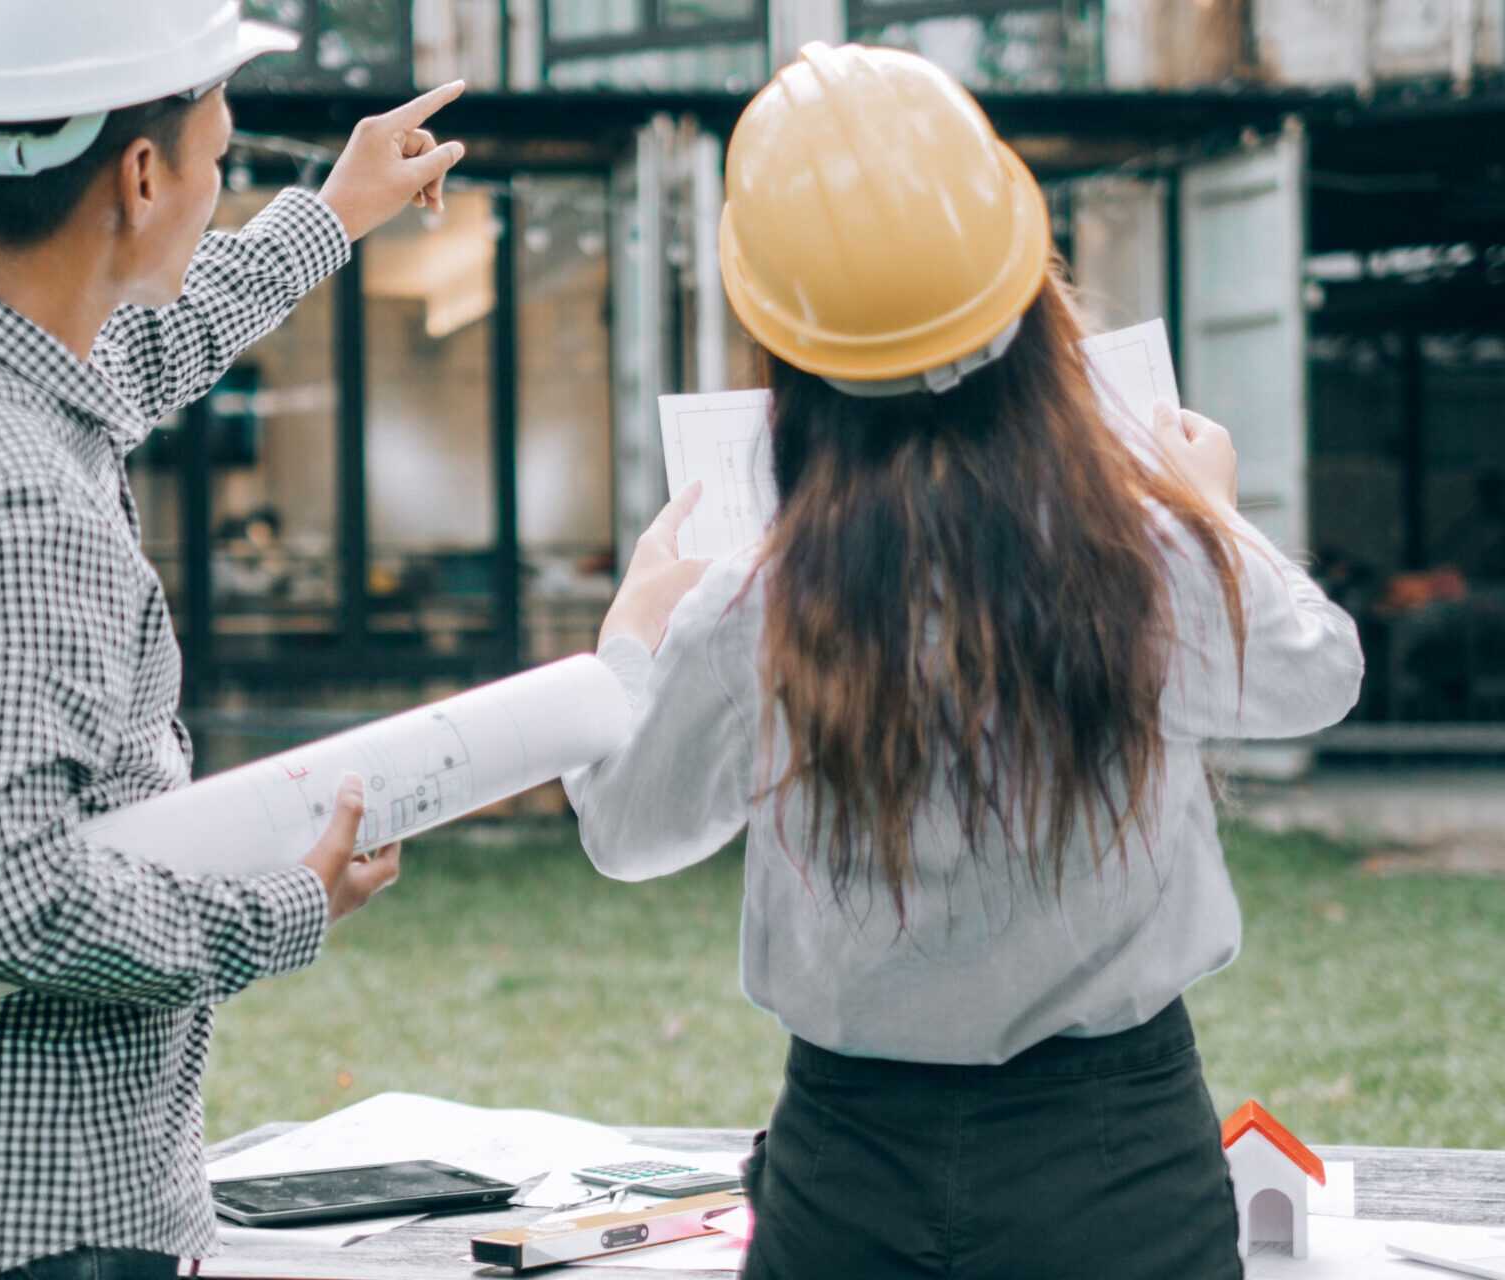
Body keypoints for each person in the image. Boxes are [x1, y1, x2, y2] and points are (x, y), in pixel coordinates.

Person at [564, 43, 1366, 1280]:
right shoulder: (1146, 555)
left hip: (848, 1171)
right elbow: (1319, 674)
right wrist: (1211, 512)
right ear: (1026, 298)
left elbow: (626, 828)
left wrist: (634, 626)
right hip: (1123, 1165)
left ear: (782, 345)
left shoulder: (750, 603)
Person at [0, 4, 465, 1278]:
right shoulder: (20, 506)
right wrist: (286, 905)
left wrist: (329, 213)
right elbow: (6, 888)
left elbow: (136, 347)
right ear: (140, 174)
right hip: (37, 1219)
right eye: (219, 156)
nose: (218, 185)